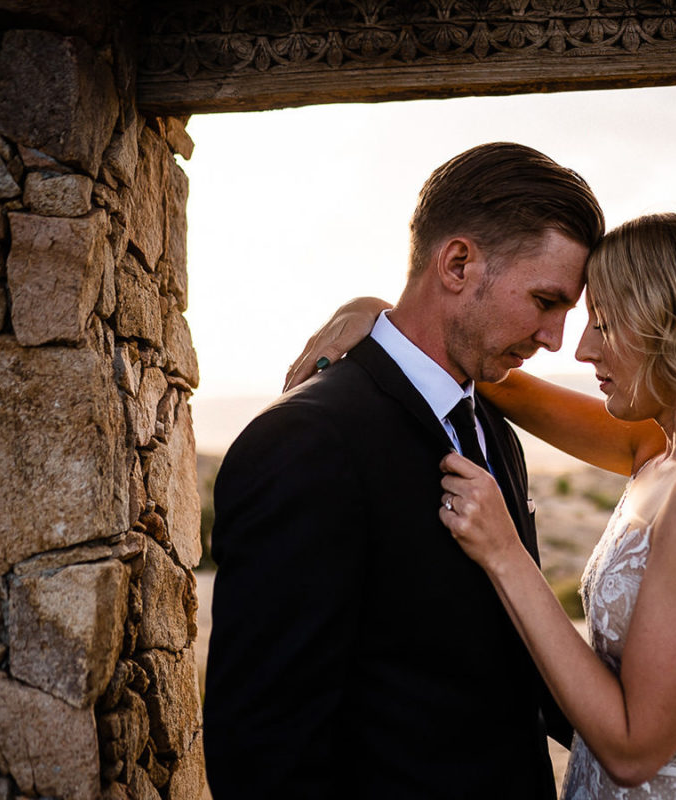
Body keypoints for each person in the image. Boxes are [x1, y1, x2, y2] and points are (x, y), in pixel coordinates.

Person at [297, 210, 676, 798]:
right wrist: (388, 318)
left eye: (606, 325)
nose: (581, 349)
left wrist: (505, 554)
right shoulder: (663, 448)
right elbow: (495, 379)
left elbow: (633, 750)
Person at [202, 142, 604, 799]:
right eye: (544, 300)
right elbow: (263, 747)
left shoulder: (494, 431)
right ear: (457, 263)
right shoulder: (305, 442)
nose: (557, 338)